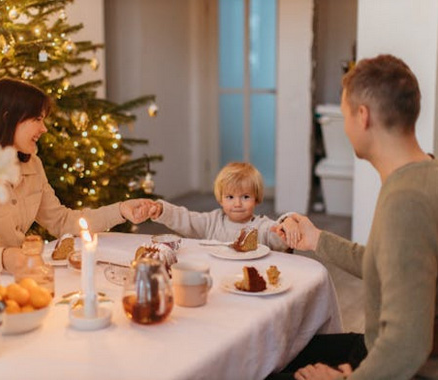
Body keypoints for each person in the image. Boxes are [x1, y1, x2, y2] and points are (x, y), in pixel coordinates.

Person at [271, 54, 438, 380]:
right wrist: (316, 238)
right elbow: (386, 265)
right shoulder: (422, 174)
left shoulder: (407, 200)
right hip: (379, 350)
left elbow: (407, 344)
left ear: (362, 116)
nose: (346, 126)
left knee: (264, 369)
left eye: (345, 112)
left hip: (403, 365)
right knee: (281, 347)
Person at [0, 78, 155, 280]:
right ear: (8, 118)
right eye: (37, 119)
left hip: (17, 285)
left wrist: (122, 210)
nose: (44, 128)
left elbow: (62, 221)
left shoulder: (32, 165)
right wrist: (1, 258)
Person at [148, 162, 299, 252]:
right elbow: (185, 219)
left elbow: (279, 236)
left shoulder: (263, 226)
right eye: (230, 197)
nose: (237, 203)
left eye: (245, 197)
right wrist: (163, 210)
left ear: (257, 198)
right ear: (221, 199)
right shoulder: (211, 221)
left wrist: (288, 223)